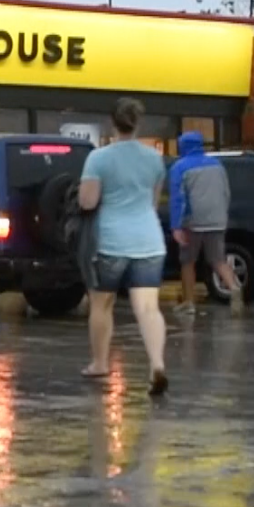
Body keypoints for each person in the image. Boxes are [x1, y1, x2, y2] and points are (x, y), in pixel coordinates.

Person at [79, 98, 169, 396]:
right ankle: (156, 364)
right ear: (138, 123)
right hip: (149, 240)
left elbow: (87, 201)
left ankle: (100, 363)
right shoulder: (155, 159)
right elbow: (153, 203)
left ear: (112, 123)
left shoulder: (99, 159)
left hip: (112, 241)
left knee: (101, 304)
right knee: (148, 307)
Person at [167, 131, 243, 317]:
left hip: (193, 222)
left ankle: (189, 303)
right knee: (218, 260)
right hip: (217, 220)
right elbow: (226, 192)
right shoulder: (217, 165)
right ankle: (234, 288)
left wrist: (176, 226)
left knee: (188, 262)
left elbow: (178, 199)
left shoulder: (180, 167)